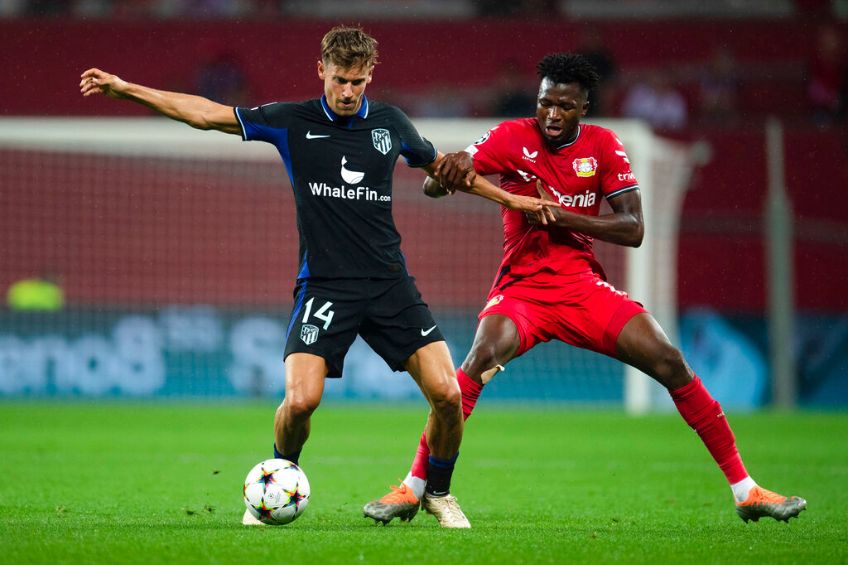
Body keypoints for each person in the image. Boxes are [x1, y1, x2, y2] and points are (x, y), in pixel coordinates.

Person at [79, 25, 550, 529]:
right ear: (321, 71)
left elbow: (448, 171)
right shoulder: (291, 121)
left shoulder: (390, 123)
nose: (348, 92)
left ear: (370, 77)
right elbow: (205, 114)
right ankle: (279, 478)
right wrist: (126, 88)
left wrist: (513, 200)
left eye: (358, 82)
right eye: (340, 80)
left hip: (390, 284)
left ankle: (437, 492)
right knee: (301, 401)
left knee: (448, 395)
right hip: (325, 287)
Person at [363, 52, 807, 527]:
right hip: (522, 291)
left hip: (583, 290)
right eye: (546, 103)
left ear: (584, 107)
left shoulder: (605, 146)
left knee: (669, 362)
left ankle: (746, 490)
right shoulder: (513, 136)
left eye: (566, 106)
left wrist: (560, 215)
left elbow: (633, 228)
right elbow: (445, 179)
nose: (553, 115)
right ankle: (411, 489)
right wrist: (444, 177)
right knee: (471, 367)